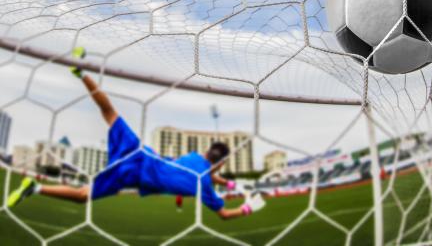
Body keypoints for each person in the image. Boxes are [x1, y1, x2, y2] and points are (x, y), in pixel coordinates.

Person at [7, 47, 265, 220]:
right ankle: (37, 188)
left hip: (139, 154)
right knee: (85, 196)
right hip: (131, 175)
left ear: (207, 152)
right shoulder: (205, 183)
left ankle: (82, 72)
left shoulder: (194, 158)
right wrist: (246, 207)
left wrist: (228, 182)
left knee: (109, 114)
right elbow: (223, 214)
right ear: (219, 162)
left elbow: (207, 172)